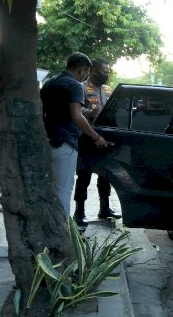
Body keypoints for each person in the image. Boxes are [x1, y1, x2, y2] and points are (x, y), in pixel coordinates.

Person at [40, 52, 108, 220]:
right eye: (85, 72)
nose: (84, 76)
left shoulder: (49, 83)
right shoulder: (75, 85)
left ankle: (50, 226)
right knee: (63, 190)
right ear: (82, 70)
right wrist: (96, 138)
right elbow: (77, 116)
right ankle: (62, 232)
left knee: (50, 189)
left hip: (46, 141)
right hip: (65, 144)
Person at [72, 58, 121, 227]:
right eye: (104, 72)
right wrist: (90, 111)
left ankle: (105, 208)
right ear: (93, 71)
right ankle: (79, 211)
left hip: (105, 136)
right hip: (86, 137)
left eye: (108, 73)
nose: (106, 75)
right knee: (84, 175)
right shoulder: (81, 88)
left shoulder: (108, 89)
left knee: (105, 174)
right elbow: (75, 111)